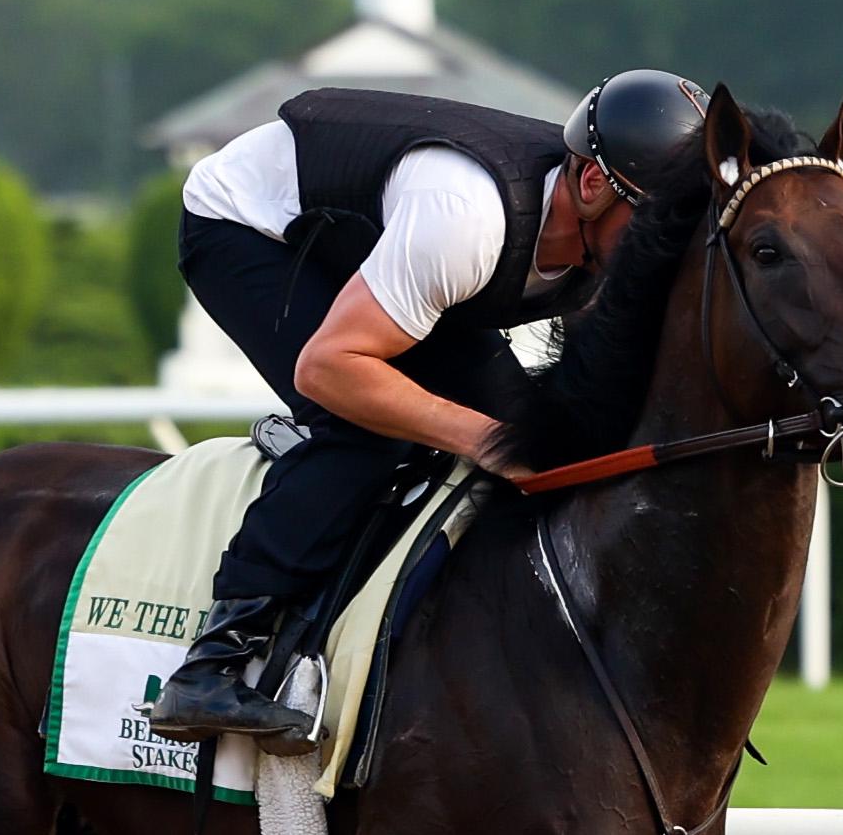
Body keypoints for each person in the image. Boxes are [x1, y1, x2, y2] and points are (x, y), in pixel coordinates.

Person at [146, 70, 713, 746]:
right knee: (367, 430)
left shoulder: (591, 226)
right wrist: (482, 437)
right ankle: (215, 661)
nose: (668, 251)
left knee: (539, 438)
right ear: (592, 185)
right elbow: (328, 367)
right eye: (660, 225)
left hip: (375, 244)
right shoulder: (466, 223)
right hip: (253, 228)